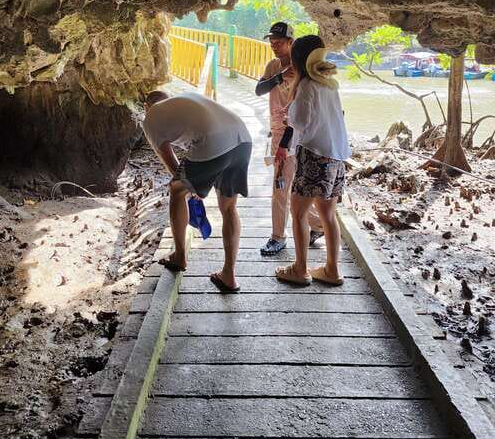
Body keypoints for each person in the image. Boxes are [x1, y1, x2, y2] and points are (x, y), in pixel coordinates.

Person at [142, 90, 252, 293]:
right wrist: (191, 183)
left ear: (146, 107)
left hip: (213, 140)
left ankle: (179, 256)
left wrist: (187, 186)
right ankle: (229, 275)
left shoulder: (150, 117)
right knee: (228, 208)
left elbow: (167, 158)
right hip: (243, 137)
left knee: (176, 190)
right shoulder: (185, 99)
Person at [275, 34, 350, 287]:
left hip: (314, 156)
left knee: (298, 213)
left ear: (297, 59)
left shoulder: (307, 85)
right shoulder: (330, 83)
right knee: (329, 214)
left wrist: (288, 118)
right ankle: (331, 269)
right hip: (336, 156)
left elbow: (301, 121)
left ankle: (300, 269)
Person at [255, 21, 324, 256]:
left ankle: (278, 237)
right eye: (272, 42)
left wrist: (287, 141)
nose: (274, 46)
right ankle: (318, 224)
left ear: (291, 43)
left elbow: (302, 109)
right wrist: (279, 76)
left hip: (295, 133)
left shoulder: (303, 69)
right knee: (287, 184)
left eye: (279, 42)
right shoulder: (273, 65)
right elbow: (259, 90)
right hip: (277, 131)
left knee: (281, 186)